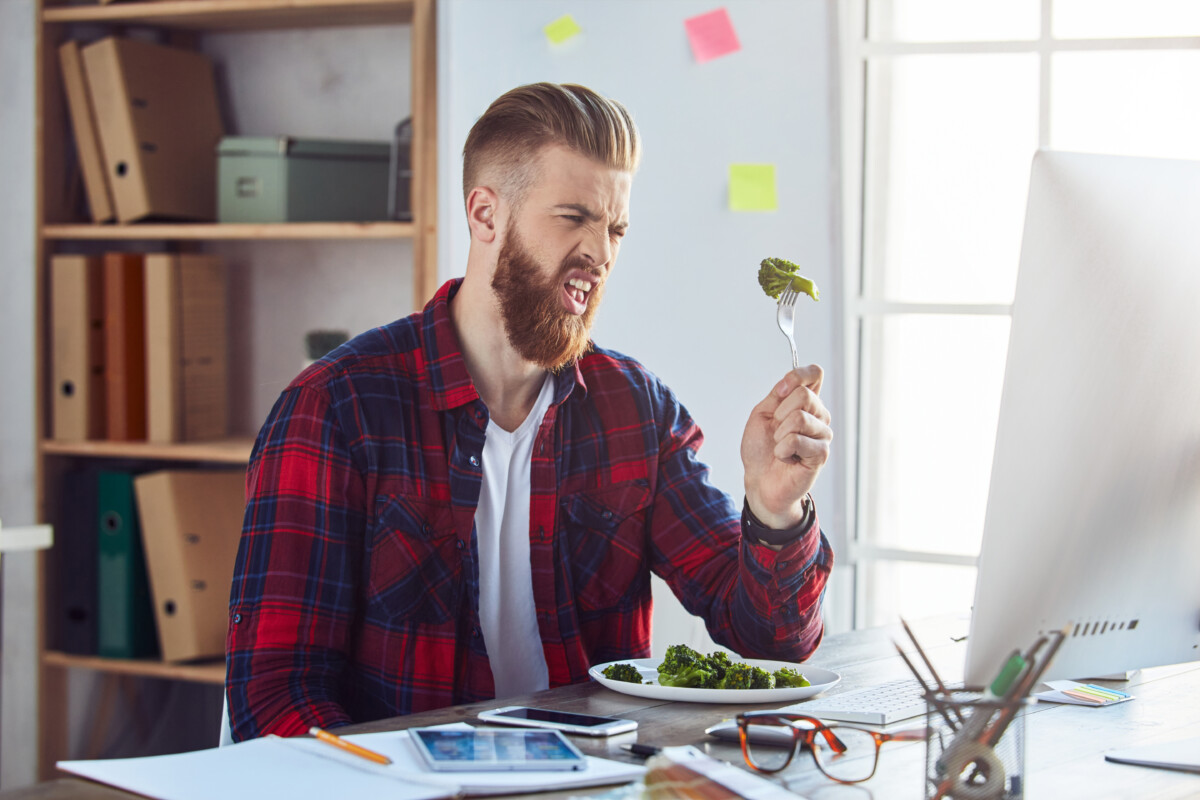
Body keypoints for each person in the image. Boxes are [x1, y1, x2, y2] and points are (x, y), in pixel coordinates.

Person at [225, 82, 833, 741]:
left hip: (593, 783)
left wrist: (775, 510)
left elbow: (770, 640)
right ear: (485, 215)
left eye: (615, 228)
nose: (600, 254)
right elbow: (275, 695)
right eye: (574, 217)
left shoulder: (636, 409)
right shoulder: (334, 411)